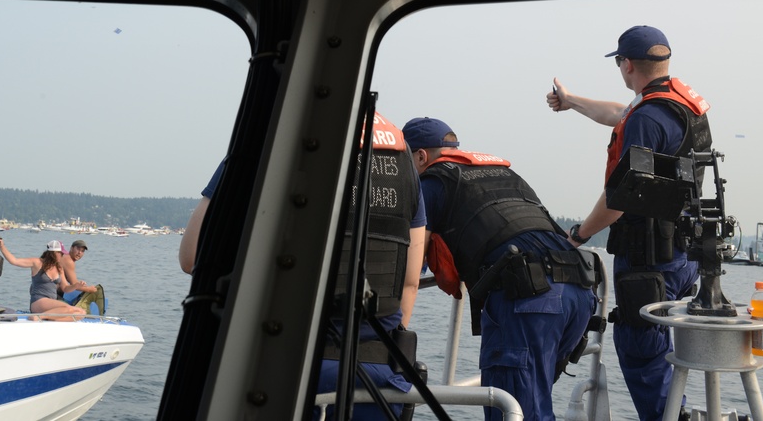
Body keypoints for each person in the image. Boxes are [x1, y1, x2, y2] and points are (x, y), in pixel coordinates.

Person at [179, 112, 427, 420]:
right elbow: (410, 281)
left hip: (282, 366)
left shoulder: (268, 147)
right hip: (373, 370)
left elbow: (193, 256)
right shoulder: (403, 164)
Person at [546, 25, 709, 421]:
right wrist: (571, 101)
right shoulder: (677, 105)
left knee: (639, 345)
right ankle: (679, 410)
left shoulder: (647, 118)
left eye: (619, 61)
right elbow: (619, 114)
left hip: (649, 255)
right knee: (658, 343)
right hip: (685, 253)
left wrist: (578, 235)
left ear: (628, 64)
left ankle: (670, 417)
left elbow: (621, 198)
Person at [402, 116, 595, 421]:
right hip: (579, 291)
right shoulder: (500, 173)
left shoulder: (431, 183)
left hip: (529, 298)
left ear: (421, 156)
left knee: (513, 412)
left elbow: (412, 265)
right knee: (533, 405)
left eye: (404, 161)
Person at [0, 238, 86, 321]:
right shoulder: (37, 263)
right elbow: (14, 261)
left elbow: (65, 288)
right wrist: (2, 246)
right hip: (38, 302)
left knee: (81, 313)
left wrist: (76, 286)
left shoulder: (59, 268)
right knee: (68, 309)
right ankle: (39, 317)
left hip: (52, 303)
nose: (63, 256)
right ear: (55, 253)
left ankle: (51, 321)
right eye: (61, 253)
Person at [59, 239, 97, 305]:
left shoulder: (65, 257)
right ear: (71, 248)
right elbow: (74, 284)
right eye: (78, 249)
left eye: (82, 251)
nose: (79, 253)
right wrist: (89, 289)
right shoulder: (69, 261)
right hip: (53, 294)